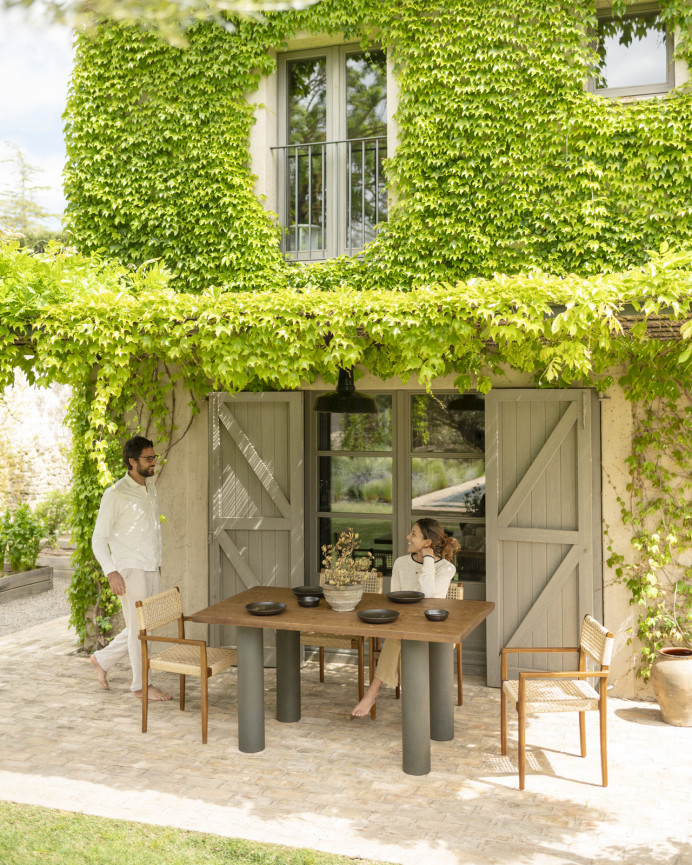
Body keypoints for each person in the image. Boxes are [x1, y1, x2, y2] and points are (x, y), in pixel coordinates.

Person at [89, 435, 171, 701]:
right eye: (148, 458)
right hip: (130, 569)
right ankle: (140, 687)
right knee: (140, 630)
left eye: (153, 457)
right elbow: (98, 540)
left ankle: (102, 659)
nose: (153, 462)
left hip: (151, 566)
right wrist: (111, 572)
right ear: (131, 461)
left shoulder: (151, 488)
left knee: (144, 626)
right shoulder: (115, 494)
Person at [352, 518, 460, 717]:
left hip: (433, 626)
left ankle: (372, 693)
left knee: (397, 640)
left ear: (427, 543)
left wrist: (428, 560)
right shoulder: (402, 563)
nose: (407, 537)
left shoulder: (446, 568)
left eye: (414, 534)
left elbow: (429, 597)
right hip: (405, 623)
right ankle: (411, 700)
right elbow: (395, 597)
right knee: (398, 637)